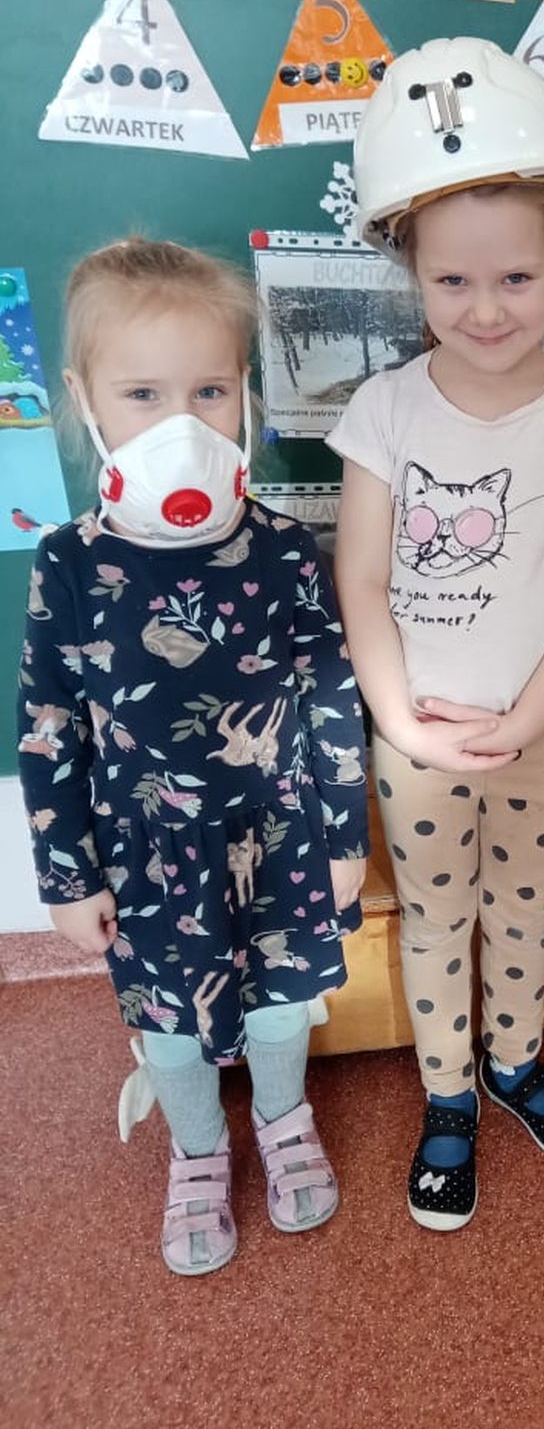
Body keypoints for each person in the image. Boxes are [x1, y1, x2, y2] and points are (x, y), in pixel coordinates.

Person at [330, 38, 544, 1231]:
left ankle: (514, 1063)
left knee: (523, 905)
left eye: (516, 277)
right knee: (435, 917)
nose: (485, 308)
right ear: (412, 273)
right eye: (452, 280)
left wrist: (523, 718)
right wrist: (403, 720)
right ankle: (448, 1095)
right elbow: (362, 578)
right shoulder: (384, 409)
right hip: (415, 736)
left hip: (543, 729)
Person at [16, 238, 370, 1274]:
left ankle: (284, 1119)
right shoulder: (68, 562)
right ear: (84, 400)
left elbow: (330, 695)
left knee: (281, 1000)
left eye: (208, 391)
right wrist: (68, 877)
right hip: (147, 852)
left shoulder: (282, 547)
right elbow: (49, 724)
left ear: (243, 392)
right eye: (143, 394)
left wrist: (344, 837)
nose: (183, 425)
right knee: (171, 1022)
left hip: (278, 834)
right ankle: (199, 1147)